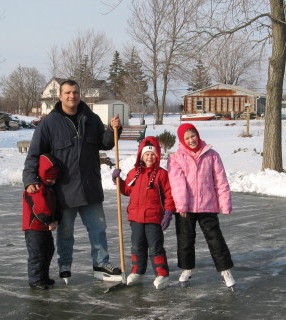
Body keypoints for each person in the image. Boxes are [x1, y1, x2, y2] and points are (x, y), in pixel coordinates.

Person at [23, 79, 122, 283]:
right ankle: (65, 266)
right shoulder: (50, 123)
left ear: (79, 94)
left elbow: (105, 143)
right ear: (60, 96)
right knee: (65, 232)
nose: (72, 96)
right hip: (64, 190)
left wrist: (114, 131)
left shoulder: (91, 118)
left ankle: (101, 264)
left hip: (90, 187)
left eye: (75, 92)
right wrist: (30, 178)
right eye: (67, 92)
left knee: (98, 229)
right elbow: (34, 153)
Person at [167, 123, 236, 288]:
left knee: (215, 240)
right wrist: (182, 205)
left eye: (193, 136)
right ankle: (186, 269)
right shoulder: (176, 158)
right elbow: (177, 183)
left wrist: (224, 203)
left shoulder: (212, 155)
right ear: (182, 141)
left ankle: (225, 271)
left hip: (207, 205)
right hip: (185, 208)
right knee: (185, 240)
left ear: (197, 135)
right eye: (187, 138)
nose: (191, 140)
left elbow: (221, 180)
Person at [112, 136, 175, 290]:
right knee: (137, 246)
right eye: (146, 154)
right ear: (141, 155)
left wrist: (168, 213)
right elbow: (127, 190)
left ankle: (162, 274)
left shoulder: (161, 174)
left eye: (153, 154)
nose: (149, 157)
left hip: (154, 218)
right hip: (136, 217)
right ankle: (137, 272)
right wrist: (117, 180)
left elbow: (169, 195)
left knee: (155, 247)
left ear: (157, 156)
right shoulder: (134, 173)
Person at [22, 154, 61, 290]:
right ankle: (35, 279)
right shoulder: (36, 189)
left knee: (48, 251)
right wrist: (49, 221)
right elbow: (39, 209)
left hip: (44, 228)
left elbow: (54, 207)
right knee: (37, 253)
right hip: (34, 228)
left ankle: (43, 276)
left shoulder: (49, 189)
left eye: (55, 178)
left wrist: (56, 219)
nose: (53, 181)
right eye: (51, 178)